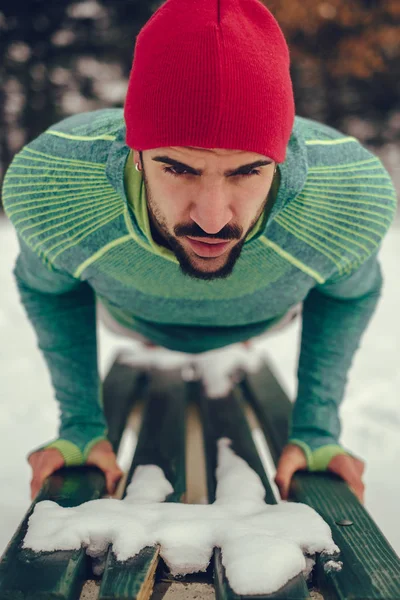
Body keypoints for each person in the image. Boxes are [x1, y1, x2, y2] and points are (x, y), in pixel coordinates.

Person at [2, 0, 396, 503]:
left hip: (263, 315)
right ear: (136, 154)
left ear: (279, 160)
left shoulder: (348, 195)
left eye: (247, 171)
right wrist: (80, 423)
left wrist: (318, 427)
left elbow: (349, 294)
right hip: (130, 314)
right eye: (178, 168)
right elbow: (47, 287)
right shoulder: (55, 183)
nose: (213, 219)